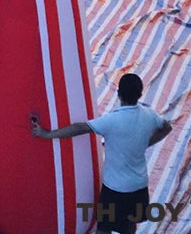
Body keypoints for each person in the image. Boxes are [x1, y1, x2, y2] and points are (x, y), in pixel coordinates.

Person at [32, 73, 172, 234]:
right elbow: (167, 127)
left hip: (115, 189)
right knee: (130, 226)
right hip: (139, 187)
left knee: (104, 228)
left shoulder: (111, 121)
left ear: (118, 94)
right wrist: (146, 143)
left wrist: (47, 134)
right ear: (140, 94)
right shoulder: (150, 115)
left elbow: (80, 128)